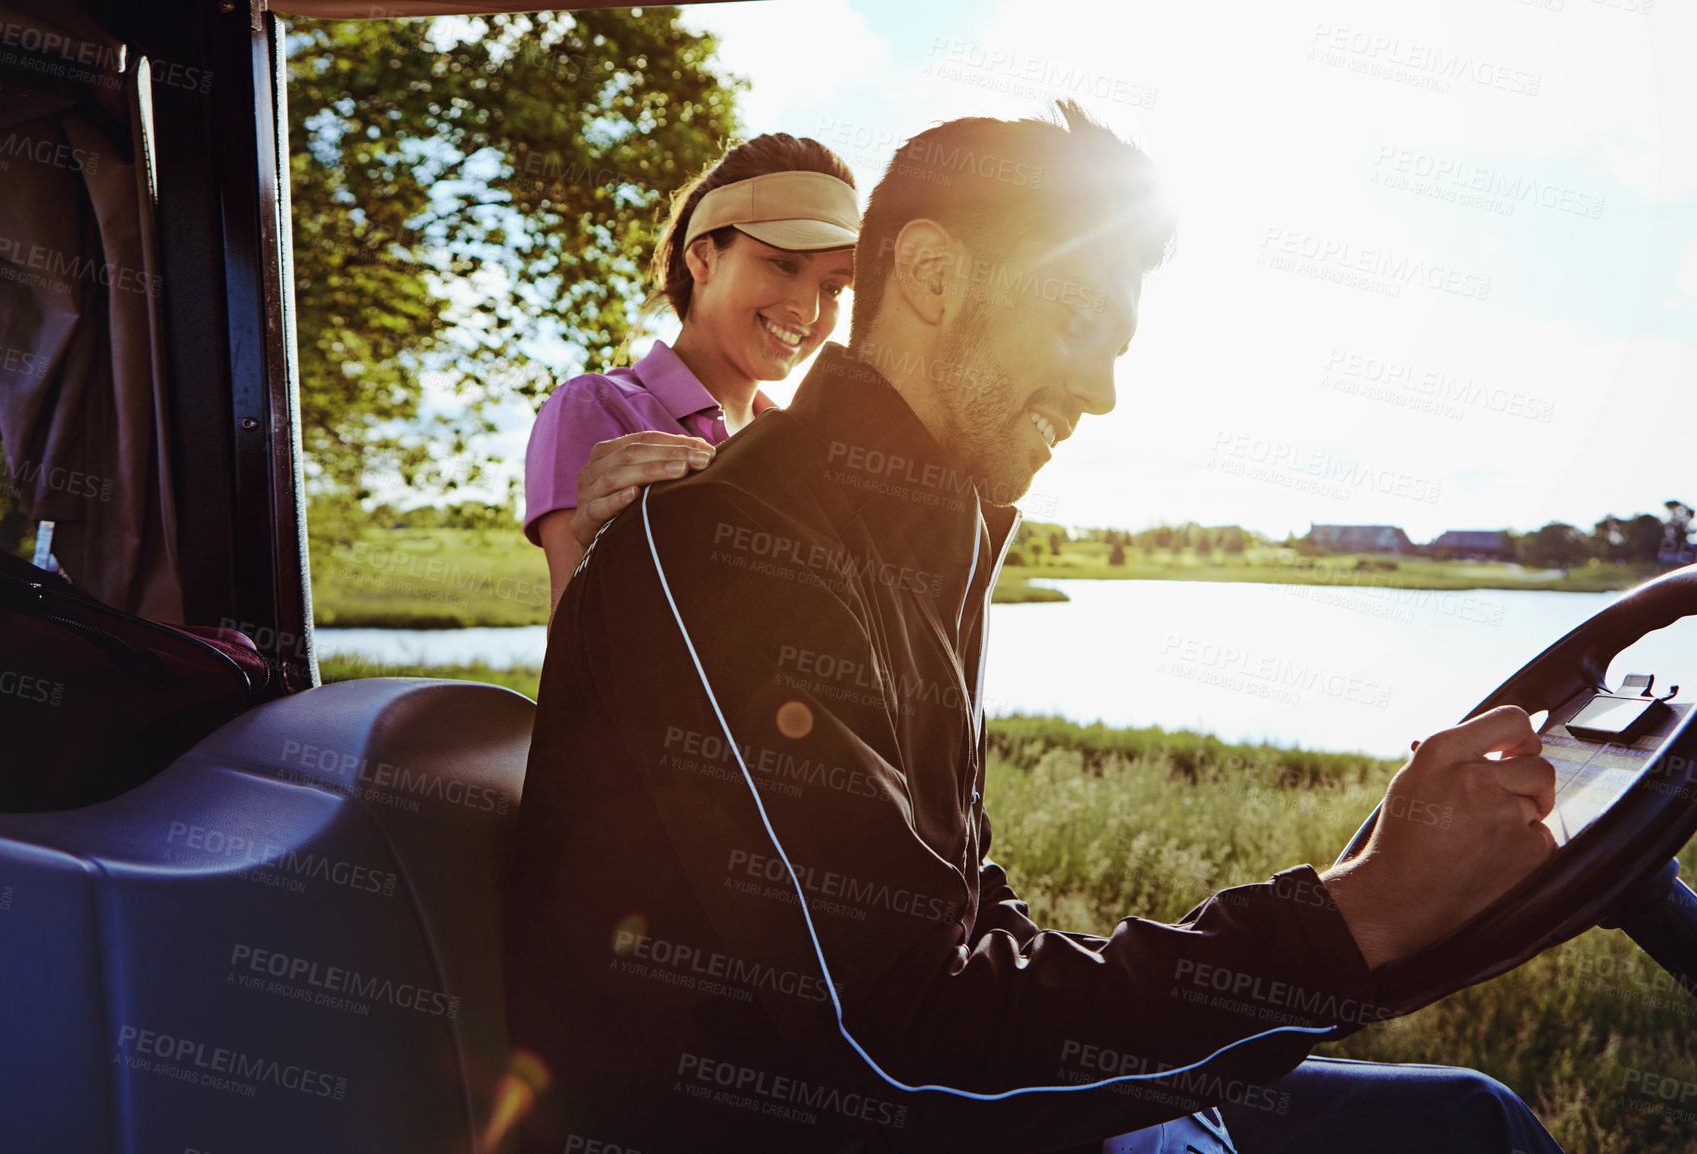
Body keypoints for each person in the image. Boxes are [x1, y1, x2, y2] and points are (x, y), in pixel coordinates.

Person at [503, 103, 1565, 1154]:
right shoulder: (731, 543)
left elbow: (957, 914)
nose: (1101, 394)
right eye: (1076, 325)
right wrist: (1360, 915)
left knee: (1477, 1119)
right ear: (929, 274)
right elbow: (899, 1041)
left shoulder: (917, 539)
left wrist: (1337, 922)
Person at [523, 133, 858, 613]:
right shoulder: (595, 408)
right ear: (703, 257)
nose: (807, 310)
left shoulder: (807, 449)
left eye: (833, 287)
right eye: (783, 264)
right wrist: (594, 548)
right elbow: (576, 646)